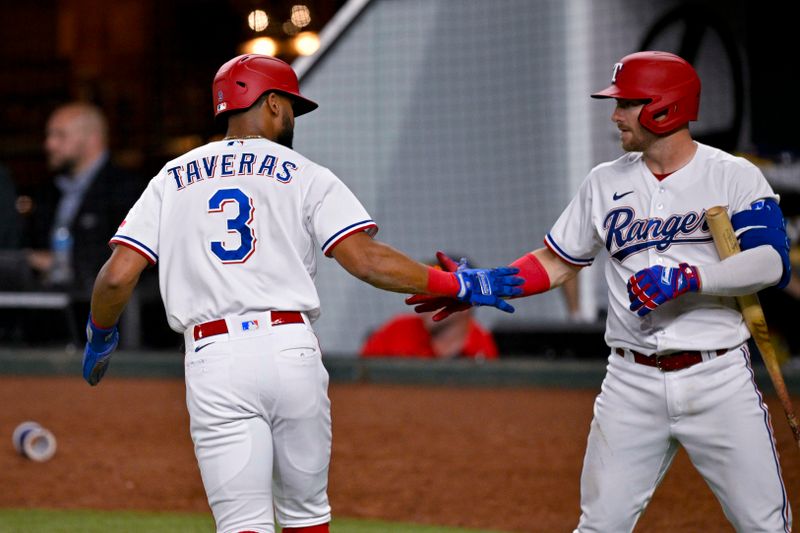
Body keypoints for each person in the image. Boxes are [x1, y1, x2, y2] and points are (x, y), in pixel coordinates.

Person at [81, 54, 523, 533]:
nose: (292, 117)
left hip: (213, 355)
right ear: (271, 103)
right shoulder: (305, 172)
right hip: (290, 348)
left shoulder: (172, 177)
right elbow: (366, 260)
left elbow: (117, 277)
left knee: (242, 524)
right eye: (290, 105)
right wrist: (456, 282)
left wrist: (100, 333)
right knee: (307, 517)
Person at [409, 51, 792, 531]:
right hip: (630, 382)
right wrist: (488, 280)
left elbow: (772, 262)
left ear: (665, 107)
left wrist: (693, 278)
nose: (615, 115)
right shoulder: (604, 181)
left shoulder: (732, 174)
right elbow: (556, 261)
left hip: (717, 376)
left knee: (764, 526)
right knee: (599, 526)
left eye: (627, 103)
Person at [27, 102, 143, 295]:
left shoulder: (126, 190)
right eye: (49, 135)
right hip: (50, 307)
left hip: (102, 312)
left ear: (92, 139)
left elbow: (128, 262)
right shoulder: (48, 192)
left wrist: (58, 263)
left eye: (60, 135)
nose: (49, 144)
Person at [361, 253, 499, 360]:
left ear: (467, 303)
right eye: (427, 290)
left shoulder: (482, 347)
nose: (427, 298)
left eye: (440, 291)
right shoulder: (396, 330)